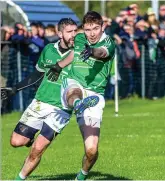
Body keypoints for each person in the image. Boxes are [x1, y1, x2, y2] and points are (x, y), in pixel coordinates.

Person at [1, 18, 78, 180]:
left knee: (37, 149)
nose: (73, 35)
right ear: (60, 33)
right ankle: (29, 138)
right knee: (16, 142)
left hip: (61, 110)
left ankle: (19, 178)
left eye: (75, 31)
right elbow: (37, 75)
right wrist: (14, 89)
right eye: (69, 32)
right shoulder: (49, 50)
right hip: (40, 102)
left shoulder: (79, 53)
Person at [46, 11, 115, 180]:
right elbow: (73, 52)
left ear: (103, 27)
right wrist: (59, 65)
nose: (91, 33)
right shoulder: (79, 38)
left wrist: (92, 51)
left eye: (95, 28)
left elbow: (102, 53)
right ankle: (77, 104)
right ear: (82, 29)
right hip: (74, 83)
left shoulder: (108, 42)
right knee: (73, 91)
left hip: (95, 94)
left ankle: (81, 176)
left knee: (91, 150)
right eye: (87, 29)